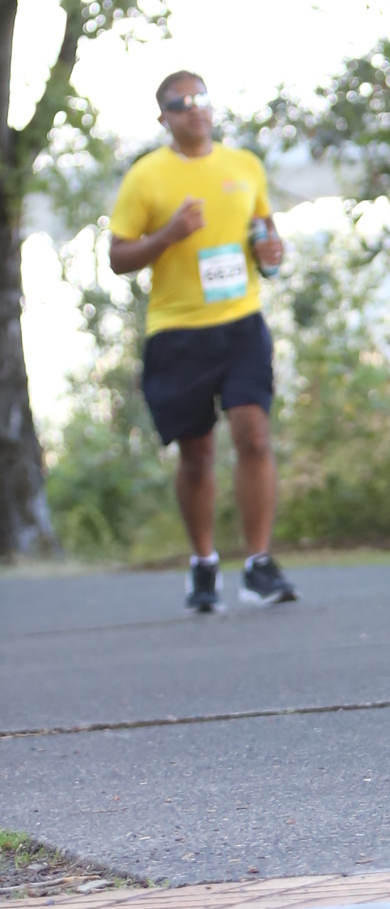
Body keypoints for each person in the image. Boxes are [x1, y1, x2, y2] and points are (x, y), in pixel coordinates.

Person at [108, 71, 295, 614]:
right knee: (197, 455)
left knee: (253, 434)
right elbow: (117, 257)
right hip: (177, 331)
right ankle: (204, 562)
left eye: (202, 99)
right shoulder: (146, 176)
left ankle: (258, 564)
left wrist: (272, 252)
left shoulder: (244, 166)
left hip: (241, 323)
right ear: (163, 117)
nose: (195, 109)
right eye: (181, 103)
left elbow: (265, 235)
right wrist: (169, 234)